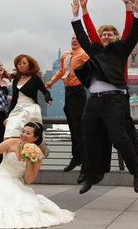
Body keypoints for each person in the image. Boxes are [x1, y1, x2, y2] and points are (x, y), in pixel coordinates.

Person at [71, 0, 138, 194]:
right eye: (103, 34)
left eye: (110, 34)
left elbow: (132, 34)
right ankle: (90, 175)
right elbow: (82, 36)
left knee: (118, 137)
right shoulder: (94, 50)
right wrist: (77, 15)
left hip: (115, 100)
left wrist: (135, 12)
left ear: (114, 37)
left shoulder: (121, 49)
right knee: (89, 136)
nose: (106, 36)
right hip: (94, 101)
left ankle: (136, 172)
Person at [45, 34, 89, 183]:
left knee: (80, 129)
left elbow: (93, 69)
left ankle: (85, 166)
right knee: (72, 128)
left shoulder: (84, 55)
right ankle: (75, 158)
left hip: (79, 92)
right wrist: (52, 81)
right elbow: (62, 71)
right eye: (72, 38)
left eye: (77, 38)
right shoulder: (66, 54)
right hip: (68, 92)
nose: (74, 40)